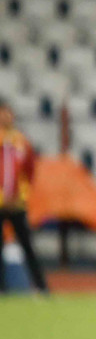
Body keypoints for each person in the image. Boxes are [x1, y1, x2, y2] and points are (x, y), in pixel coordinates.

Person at [0, 100, 48, 292]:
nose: (5, 117)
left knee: (27, 246)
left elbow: (29, 171)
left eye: (7, 113)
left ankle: (41, 287)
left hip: (17, 204)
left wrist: (23, 195)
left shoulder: (21, 141)